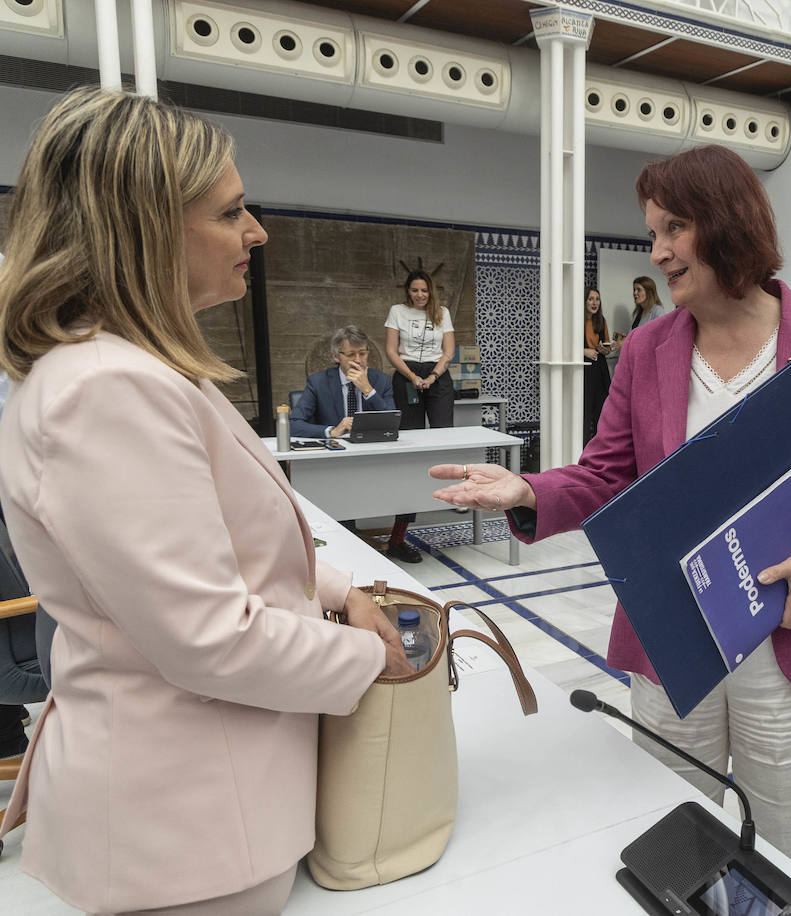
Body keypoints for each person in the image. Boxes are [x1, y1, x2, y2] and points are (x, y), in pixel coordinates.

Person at [429, 144, 791, 878]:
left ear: (727, 222)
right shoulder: (647, 348)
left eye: (674, 229)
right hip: (675, 641)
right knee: (676, 835)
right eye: (653, 233)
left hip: (790, 637)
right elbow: (607, 474)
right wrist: (529, 490)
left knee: (785, 852)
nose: (657, 251)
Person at [0, 87, 410, 915]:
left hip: (215, 810)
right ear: (143, 230)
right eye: (229, 213)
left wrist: (339, 592)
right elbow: (211, 639)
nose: (256, 231)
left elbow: (214, 546)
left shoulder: (135, 368)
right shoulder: (105, 391)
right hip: (188, 839)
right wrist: (373, 658)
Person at [290, 326, 422, 563]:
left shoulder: (380, 380)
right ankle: (345, 538)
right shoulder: (318, 382)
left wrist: (367, 390)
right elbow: (294, 424)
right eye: (351, 354)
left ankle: (397, 541)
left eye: (363, 353)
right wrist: (332, 431)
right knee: (342, 493)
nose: (358, 360)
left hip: (376, 452)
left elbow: (393, 420)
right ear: (336, 356)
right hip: (338, 458)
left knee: (407, 477)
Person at [384, 268, 455, 431]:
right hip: (406, 373)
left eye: (424, 290)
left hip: (437, 373)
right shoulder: (397, 311)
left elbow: (449, 352)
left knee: (443, 429)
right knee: (410, 430)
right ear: (408, 291)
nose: (420, 295)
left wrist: (432, 377)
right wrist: (412, 376)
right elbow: (391, 351)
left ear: (431, 291)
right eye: (414, 290)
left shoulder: (443, 312)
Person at [582, 287, 612, 444]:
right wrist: (583, 351)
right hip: (584, 371)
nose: (595, 303)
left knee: (602, 412)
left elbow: (606, 349)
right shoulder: (577, 320)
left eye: (597, 299)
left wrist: (604, 349)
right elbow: (565, 347)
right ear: (584, 301)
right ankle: (582, 449)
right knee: (584, 414)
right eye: (591, 299)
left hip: (600, 371)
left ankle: (599, 449)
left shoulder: (601, 320)